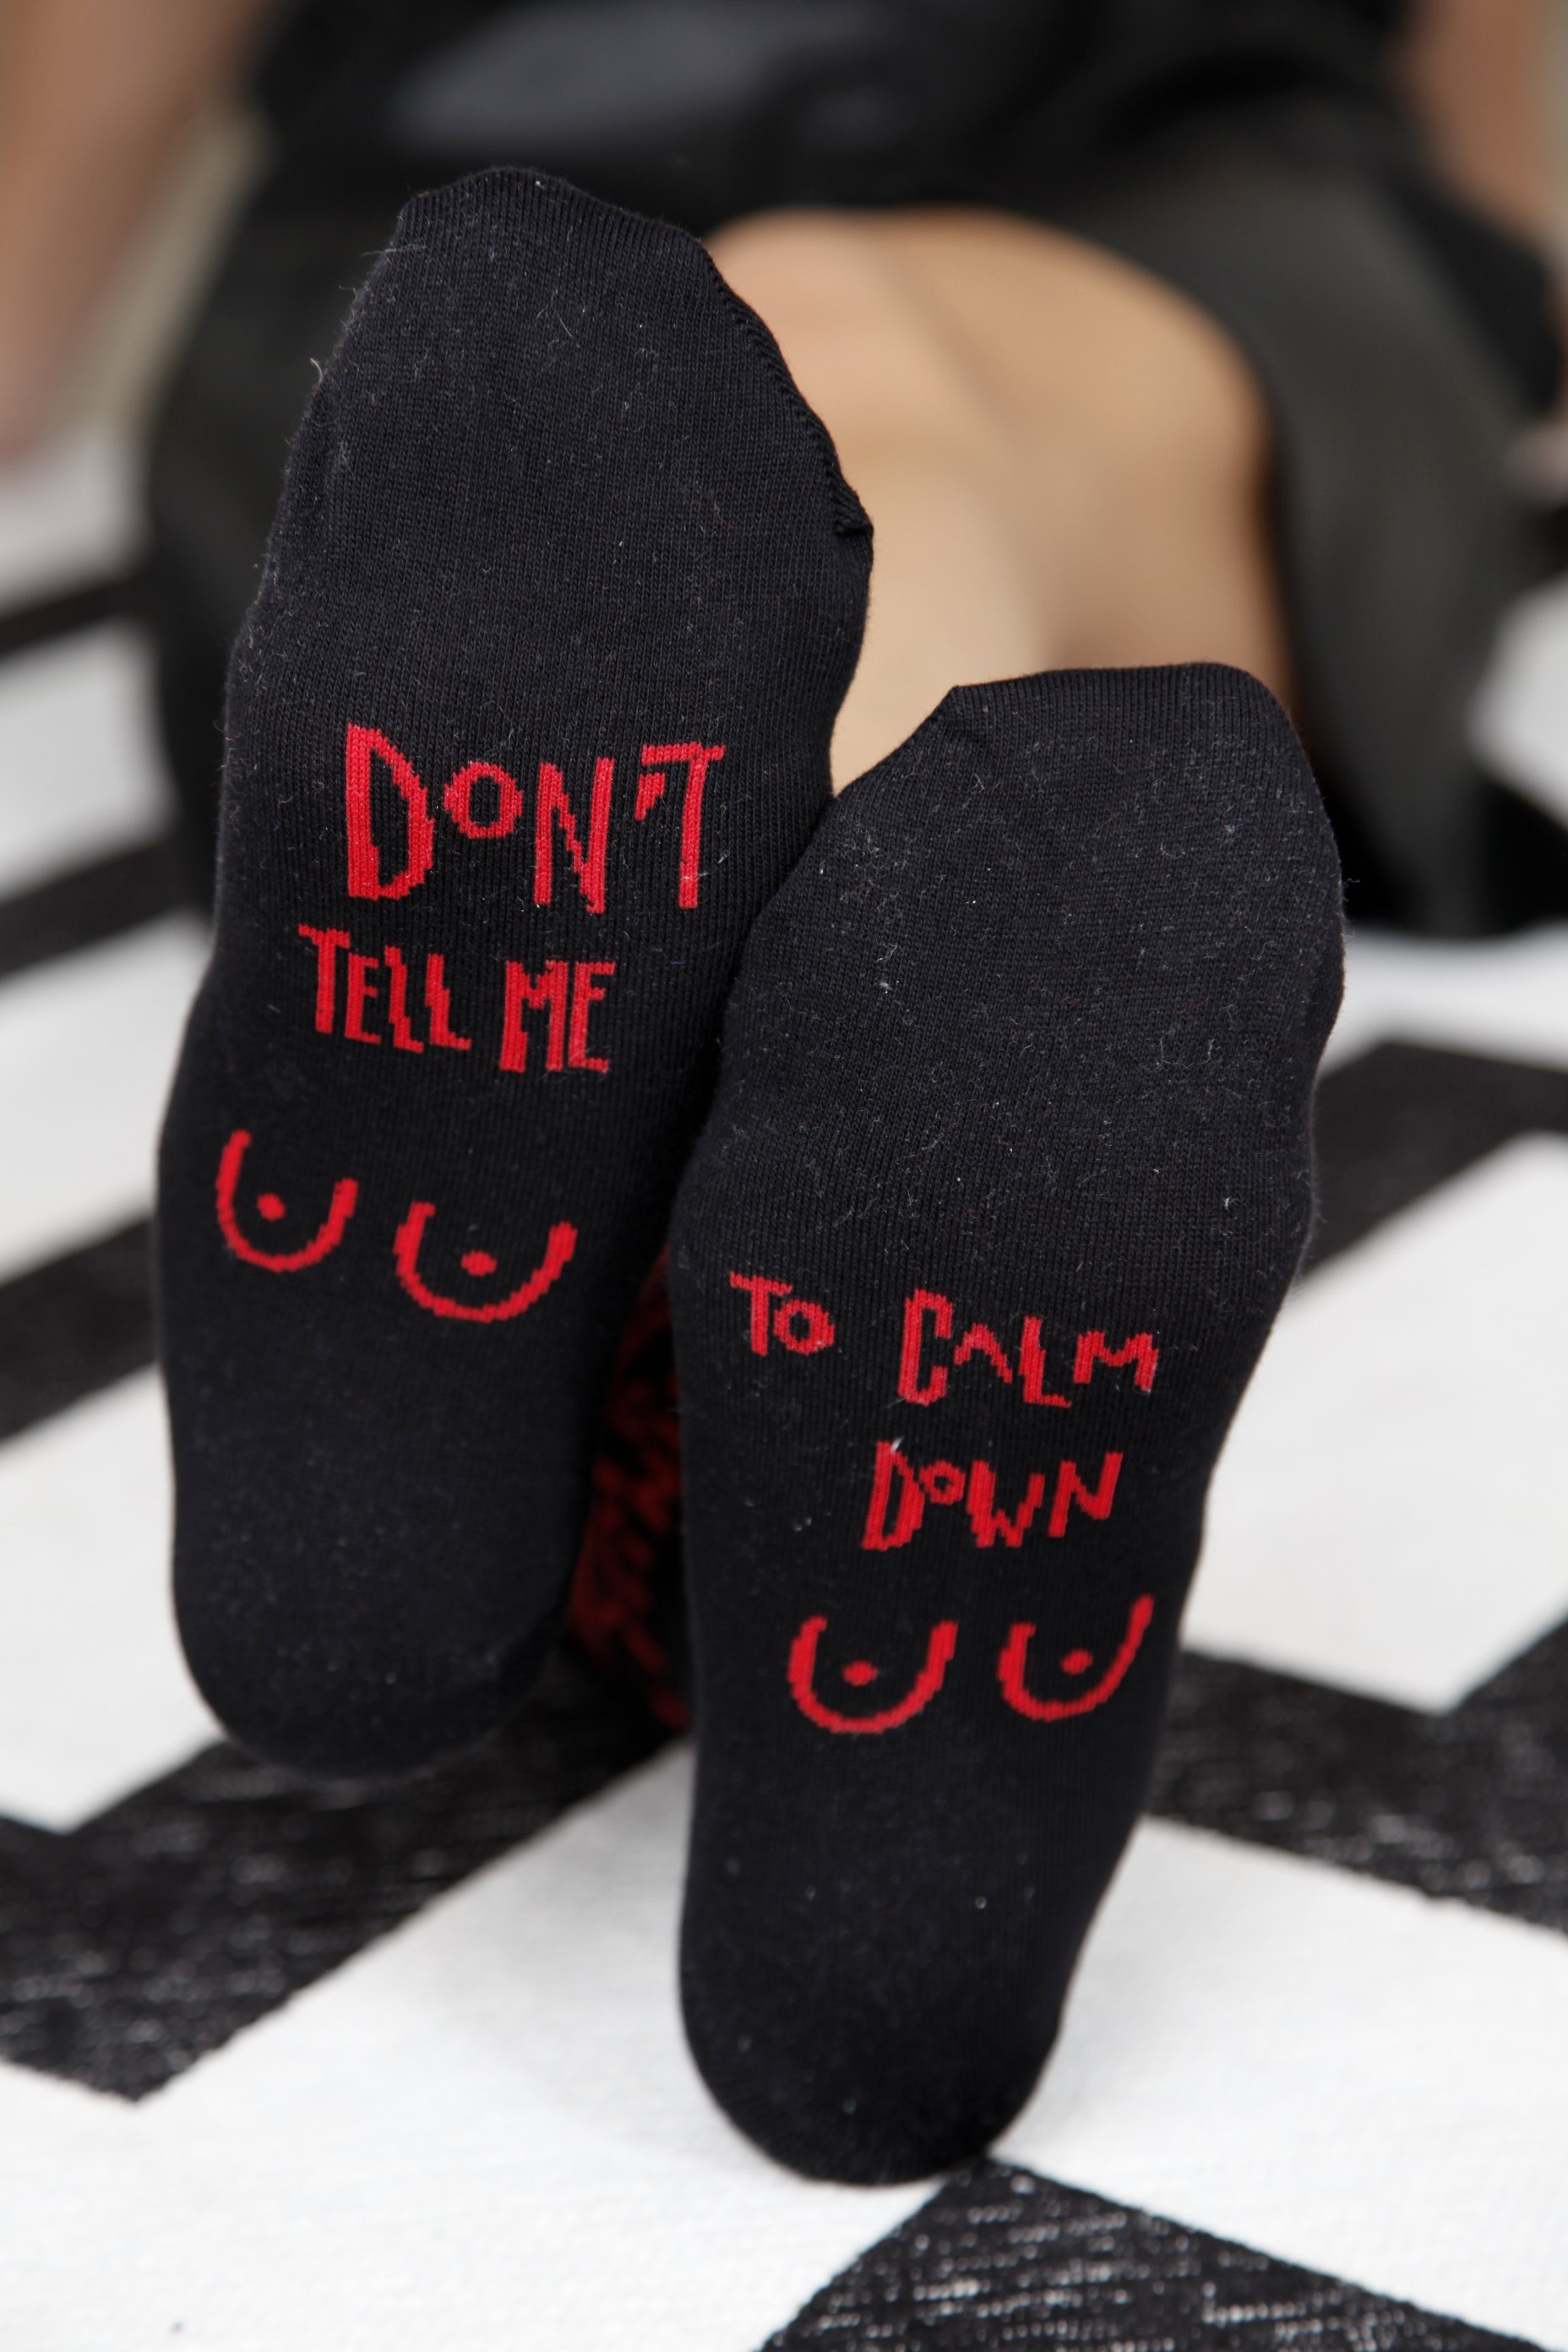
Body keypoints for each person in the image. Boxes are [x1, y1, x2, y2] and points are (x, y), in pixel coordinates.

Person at [1, 0, 1559, 2180]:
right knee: (985, 699)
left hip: (439, 252)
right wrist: (1490, 281)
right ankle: (888, 1365)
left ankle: (600, 1260)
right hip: (1209, 214)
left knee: (624, 463)